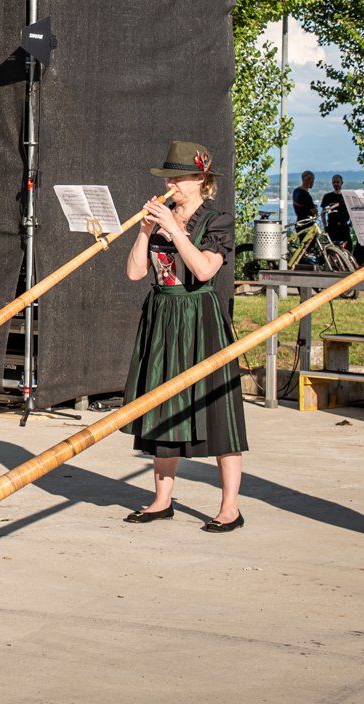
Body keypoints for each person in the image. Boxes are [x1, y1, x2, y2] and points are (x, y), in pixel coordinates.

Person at [121, 140, 247, 532]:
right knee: (161, 405)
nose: (173, 184)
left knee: (217, 409)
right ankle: (162, 499)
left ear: (201, 180)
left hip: (199, 317)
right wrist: (143, 232)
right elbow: (135, 273)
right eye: (170, 177)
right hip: (162, 314)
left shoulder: (218, 220)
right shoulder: (161, 216)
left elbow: (205, 270)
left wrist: (174, 229)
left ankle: (230, 507)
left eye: (181, 177)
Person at [320, 173, 352, 246]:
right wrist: (325, 227)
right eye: (334, 182)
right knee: (332, 251)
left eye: (337, 182)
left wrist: (351, 223)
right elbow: (323, 213)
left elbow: (352, 211)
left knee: (348, 249)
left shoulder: (346, 196)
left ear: (342, 183)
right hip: (332, 228)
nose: (335, 184)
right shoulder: (327, 196)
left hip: (344, 227)